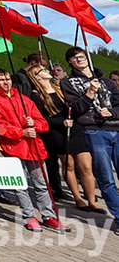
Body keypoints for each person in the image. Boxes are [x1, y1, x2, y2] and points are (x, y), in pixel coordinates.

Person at [0, 68, 66, 232]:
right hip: (13, 147)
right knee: (20, 185)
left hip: (33, 147)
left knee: (42, 183)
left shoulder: (24, 99)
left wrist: (34, 124)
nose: (5, 82)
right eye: (1, 79)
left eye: (7, 78)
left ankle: (49, 215)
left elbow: (43, 123)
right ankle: (30, 216)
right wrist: (21, 132)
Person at [60, 46, 119, 233]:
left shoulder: (108, 82)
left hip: (115, 128)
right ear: (70, 62)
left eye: (82, 56)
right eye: (75, 58)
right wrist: (90, 93)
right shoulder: (68, 82)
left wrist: (112, 112)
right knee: (106, 177)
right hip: (94, 131)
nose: (80, 60)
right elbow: (75, 108)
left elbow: (118, 103)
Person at [28, 64, 99, 212]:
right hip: (58, 131)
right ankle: (78, 198)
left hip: (74, 127)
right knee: (69, 166)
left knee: (86, 165)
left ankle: (92, 200)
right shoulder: (36, 94)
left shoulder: (59, 88)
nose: (48, 71)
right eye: (43, 70)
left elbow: (74, 105)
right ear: (37, 76)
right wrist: (61, 122)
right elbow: (41, 117)